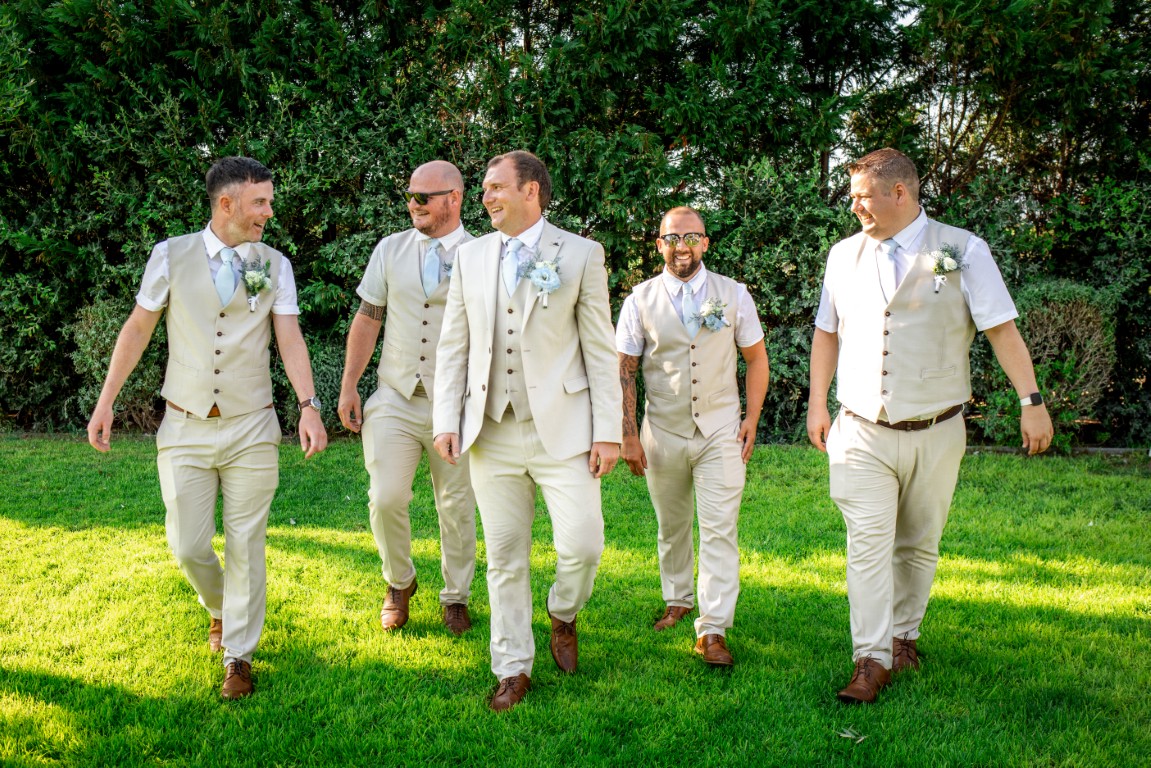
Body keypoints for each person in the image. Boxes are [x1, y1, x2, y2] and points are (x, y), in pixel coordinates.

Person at [806, 148, 1053, 704]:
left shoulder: (963, 249)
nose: (854, 207)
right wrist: (817, 403)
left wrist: (1031, 400)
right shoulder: (843, 255)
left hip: (938, 427)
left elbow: (1001, 329)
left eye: (862, 197)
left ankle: (904, 636)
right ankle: (870, 658)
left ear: (899, 193)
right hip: (861, 427)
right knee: (867, 545)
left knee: (918, 544)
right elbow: (827, 331)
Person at [86, 156, 328, 700]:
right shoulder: (169, 256)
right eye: (260, 202)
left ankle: (239, 655)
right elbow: (138, 328)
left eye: (269, 201)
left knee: (246, 543)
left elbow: (289, 337)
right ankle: (219, 606)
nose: (269, 212)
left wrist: (308, 405)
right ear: (226, 204)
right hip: (184, 425)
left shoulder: (274, 264)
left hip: (252, 425)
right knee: (188, 545)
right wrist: (106, 402)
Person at [432, 150, 622, 711]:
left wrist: (608, 431)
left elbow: (600, 349)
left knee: (583, 546)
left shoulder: (581, 254)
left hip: (564, 428)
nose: (485, 197)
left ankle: (563, 612)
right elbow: (454, 345)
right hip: (490, 428)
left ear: (531, 190)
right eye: (485, 189)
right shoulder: (470, 257)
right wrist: (446, 419)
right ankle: (512, 666)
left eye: (496, 187)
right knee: (505, 557)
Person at [616, 206, 768, 667]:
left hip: (721, 429)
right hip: (662, 429)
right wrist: (628, 435)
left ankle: (713, 628)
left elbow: (756, 359)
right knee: (672, 524)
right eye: (672, 238)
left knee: (720, 528)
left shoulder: (734, 295)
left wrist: (751, 418)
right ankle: (678, 598)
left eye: (691, 237)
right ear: (658, 245)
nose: (681, 246)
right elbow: (624, 371)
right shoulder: (639, 300)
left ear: (705, 242)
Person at [338, 161, 478, 636]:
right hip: (395, 395)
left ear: (454, 198)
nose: (413, 204)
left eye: (424, 197)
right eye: (410, 195)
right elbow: (368, 316)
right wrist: (350, 384)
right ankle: (399, 582)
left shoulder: (483, 254)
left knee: (456, 506)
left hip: (456, 404)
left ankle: (456, 596)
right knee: (386, 497)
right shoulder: (389, 248)